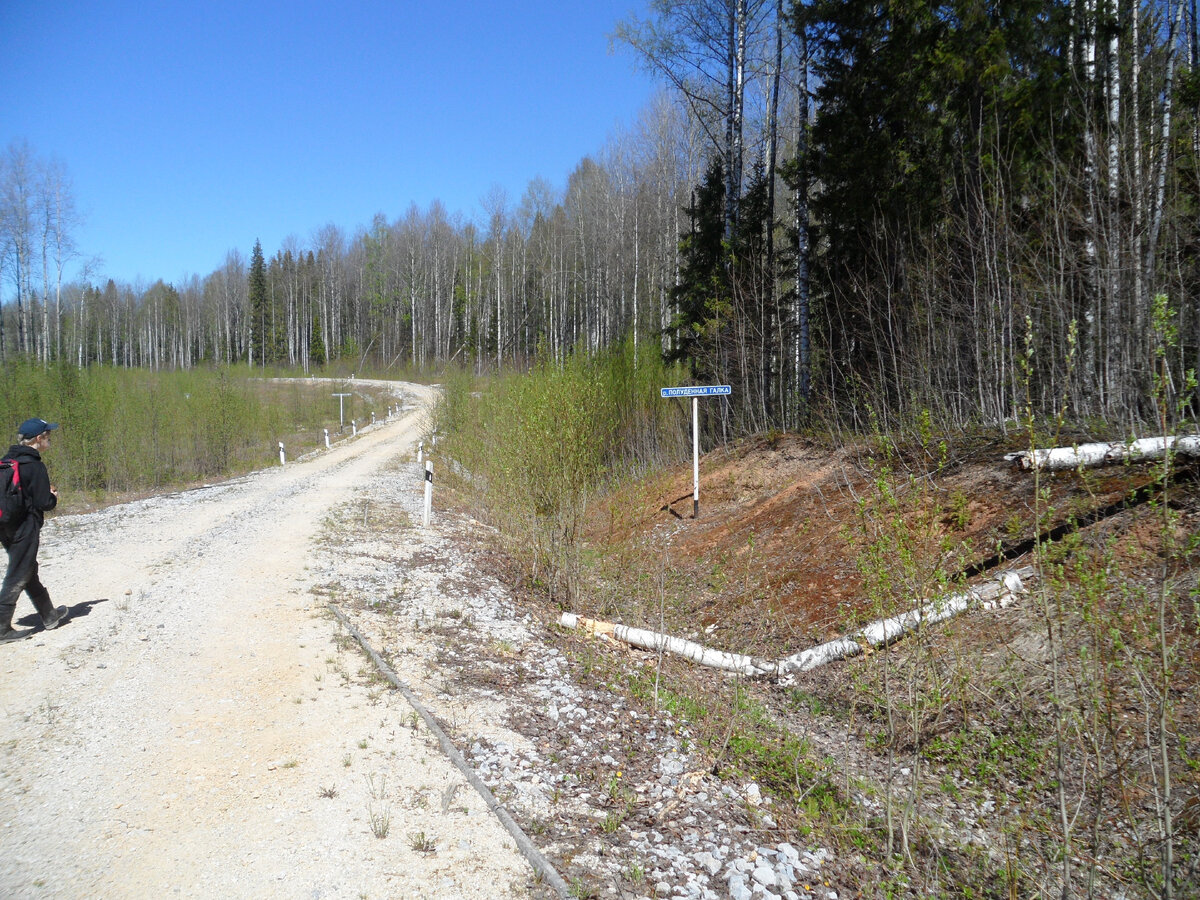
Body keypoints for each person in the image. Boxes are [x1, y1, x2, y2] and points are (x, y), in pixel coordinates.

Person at [0, 418, 67, 643]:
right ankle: (1, 628)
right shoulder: (34, 465)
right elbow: (43, 502)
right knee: (18, 573)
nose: (50, 440)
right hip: (25, 526)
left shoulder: (7, 460)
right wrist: (53, 497)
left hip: (6, 525)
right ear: (39, 439)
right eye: (48, 436)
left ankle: (50, 615)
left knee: (27, 568)